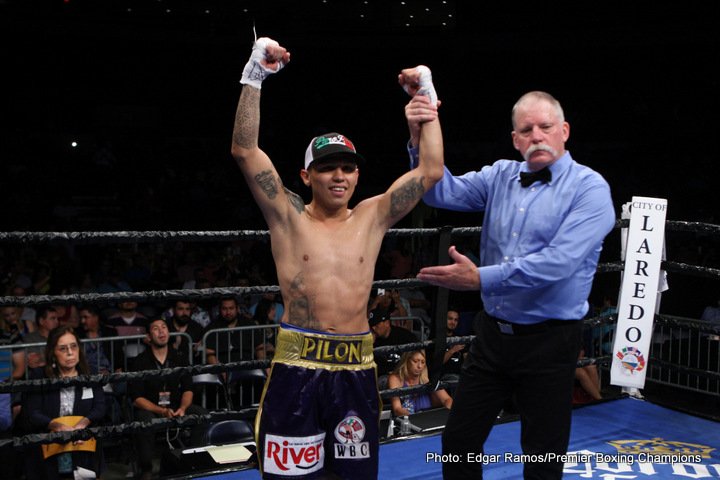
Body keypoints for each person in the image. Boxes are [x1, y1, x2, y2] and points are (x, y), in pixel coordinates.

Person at [230, 37, 443, 479]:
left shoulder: (373, 216)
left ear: (358, 173)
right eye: (328, 167)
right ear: (307, 176)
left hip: (355, 367)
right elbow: (245, 151)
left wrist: (426, 94)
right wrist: (254, 76)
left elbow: (430, 171)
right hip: (296, 367)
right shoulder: (288, 216)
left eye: (347, 167)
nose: (339, 176)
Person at [412, 91, 615, 479]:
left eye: (545, 127)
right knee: (459, 441)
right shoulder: (500, 175)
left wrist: (479, 278)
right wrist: (418, 130)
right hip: (493, 338)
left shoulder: (590, 189)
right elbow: (438, 189)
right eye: (526, 129)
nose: (536, 135)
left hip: (551, 341)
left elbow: (559, 262)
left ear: (564, 131)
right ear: (515, 139)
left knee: (541, 455)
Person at [23, 325, 106, 479]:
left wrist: (82, 425)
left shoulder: (90, 373)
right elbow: (32, 412)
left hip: (83, 440)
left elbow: (100, 406)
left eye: (73, 346)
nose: (70, 352)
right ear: (53, 353)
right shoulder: (39, 376)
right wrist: (58, 427)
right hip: (50, 442)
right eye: (63, 348)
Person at [128, 318, 207, 480]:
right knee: (144, 421)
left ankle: (192, 460)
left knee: (201, 414)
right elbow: (137, 398)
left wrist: (183, 408)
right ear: (148, 336)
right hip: (152, 408)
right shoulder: (139, 362)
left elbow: (188, 389)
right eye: (156, 328)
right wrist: (161, 411)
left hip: (177, 407)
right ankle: (146, 469)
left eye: (164, 327)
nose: (161, 331)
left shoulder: (179, 358)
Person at [387, 350, 452, 416]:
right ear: (406, 361)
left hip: (428, 420)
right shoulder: (395, 379)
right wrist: (410, 418)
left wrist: (447, 413)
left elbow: (447, 399)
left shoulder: (427, 378)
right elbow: (397, 409)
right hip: (406, 422)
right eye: (415, 361)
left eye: (423, 362)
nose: (419, 366)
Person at [370, 304, 419, 377]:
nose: (373, 328)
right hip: (382, 377)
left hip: (403, 374)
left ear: (386, 323)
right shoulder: (372, 340)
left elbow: (418, 352)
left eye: (376, 325)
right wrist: (370, 345)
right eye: (371, 325)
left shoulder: (404, 335)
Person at [441, 308, 466, 377]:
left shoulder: (460, 338)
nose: (453, 322)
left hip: (460, 377)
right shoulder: (438, 338)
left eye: (456, 320)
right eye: (450, 319)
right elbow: (438, 363)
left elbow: (466, 358)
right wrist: (453, 350)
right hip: (443, 377)